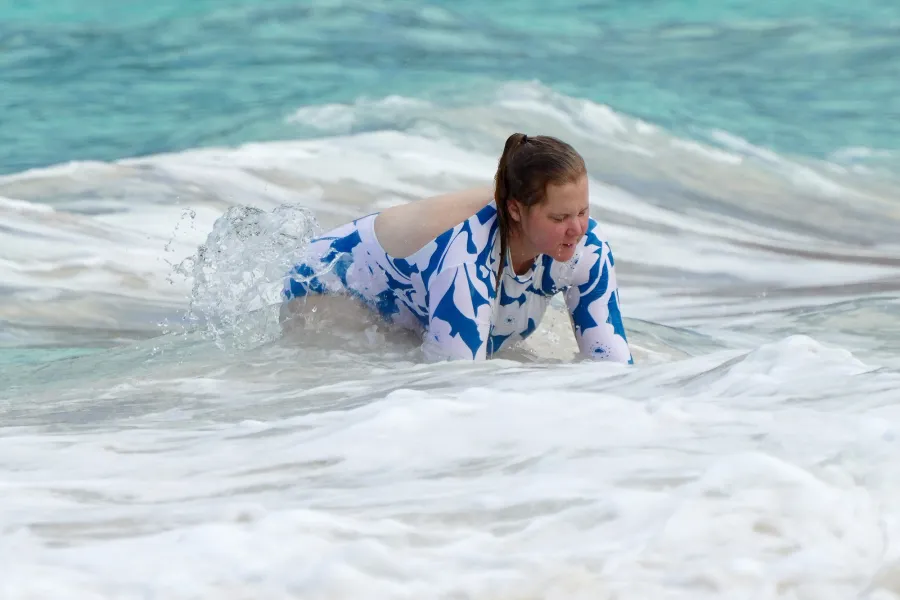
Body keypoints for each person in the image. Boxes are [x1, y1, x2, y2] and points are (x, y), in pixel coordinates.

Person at [280, 133, 633, 364]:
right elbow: (452, 391)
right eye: (559, 218)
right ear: (515, 210)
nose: (577, 229)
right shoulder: (466, 261)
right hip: (329, 287)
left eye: (583, 212)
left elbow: (613, 365)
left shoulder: (587, 246)